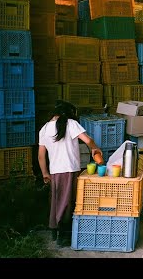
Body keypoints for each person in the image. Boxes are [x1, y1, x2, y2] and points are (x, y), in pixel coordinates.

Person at [37, 100, 103, 247]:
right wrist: (94, 149)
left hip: (54, 171)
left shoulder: (45, 129)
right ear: (68, 113)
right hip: (69, 170)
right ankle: (63, 235)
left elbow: (41, 155)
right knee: (67, 202)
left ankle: (54, 231)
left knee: (56, 201)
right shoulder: (71, 124)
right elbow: (88, 140)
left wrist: (45, 173)